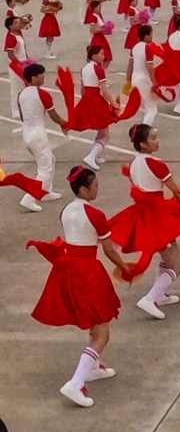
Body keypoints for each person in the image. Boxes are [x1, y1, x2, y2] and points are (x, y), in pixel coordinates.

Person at [26, 166, 133, 407]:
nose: (98, 189)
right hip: (87, 272)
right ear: (84, 189)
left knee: (95, 322)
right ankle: (75, 383)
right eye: (94, 185)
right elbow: (108, 249)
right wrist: (125, 267)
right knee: (102, 332)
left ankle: (92, 368)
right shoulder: (95, 214)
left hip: (67, 269)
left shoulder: (65, 210)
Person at [109, 124, 180, 320]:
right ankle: (150, 298)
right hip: (157, 216)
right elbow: (176, 191)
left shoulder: (134, 163)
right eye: (153, 138)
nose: (157, 140)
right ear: (143, 144)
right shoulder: (157, 164)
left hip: (144, 215)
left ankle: (160, 295)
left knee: (166, 257)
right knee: (176, 265)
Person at [17, 63, 67, 213]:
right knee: (45, 168)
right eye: (41, 75)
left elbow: (21, 115)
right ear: (33, 78)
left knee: (50, 160)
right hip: (38, 135)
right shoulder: (43, 94)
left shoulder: (21, 94)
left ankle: (45, 192)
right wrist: (65, 123)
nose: (43, 77)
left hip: (27, 133)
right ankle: (29, 198)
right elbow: (53, 116)